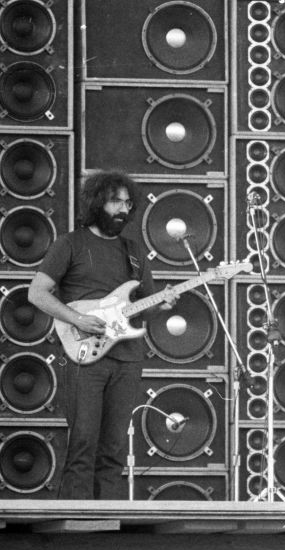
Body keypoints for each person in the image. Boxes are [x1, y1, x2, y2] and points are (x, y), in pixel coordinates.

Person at [28, 170, 176, 500]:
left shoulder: (133, 251)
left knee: (114, 447)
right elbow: (36, 293)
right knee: (83, 441)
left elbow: (141, 308)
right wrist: (77, 318)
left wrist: (161, 304)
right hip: (86, 357)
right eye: (114, 202)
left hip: (127, 358)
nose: (122, 209)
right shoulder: (71, 244)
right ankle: (75, 521)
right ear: (97, 203)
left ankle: (105, 520)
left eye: (127, 203)